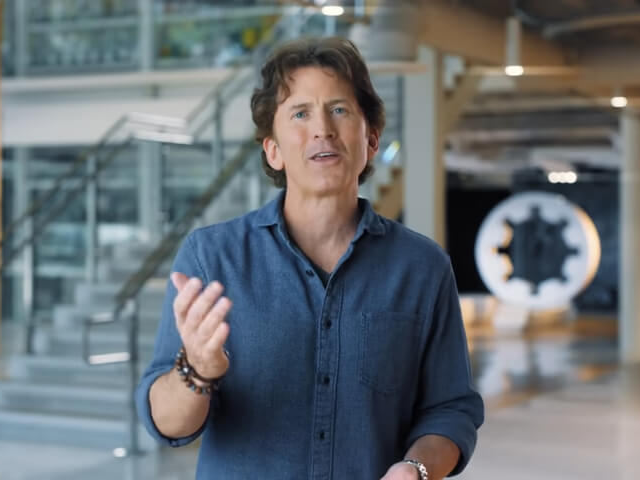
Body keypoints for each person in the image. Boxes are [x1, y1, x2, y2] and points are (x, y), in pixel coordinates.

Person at [135, 37, 484, 479]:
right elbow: (167, 424)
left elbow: (450, 409)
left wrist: (416, 468)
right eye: (300, 113)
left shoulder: (423, 267)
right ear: (274, 151)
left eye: (339, 110)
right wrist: (198, 371)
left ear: (371, 140)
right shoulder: (211, 258)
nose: (322, 128)